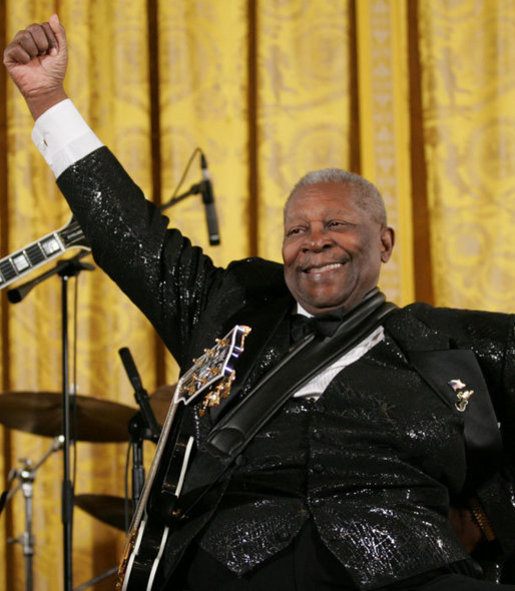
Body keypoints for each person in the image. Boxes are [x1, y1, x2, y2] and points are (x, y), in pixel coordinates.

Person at [4, 15, 515, 591]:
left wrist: (485, 515)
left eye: (337, 223)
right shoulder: (228, 315)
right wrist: (46, 95)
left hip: (405, 563)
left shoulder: (456, 343)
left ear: (385, 243)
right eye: (296, 230)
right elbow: (126, 231)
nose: (314, 240)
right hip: (231, 567)